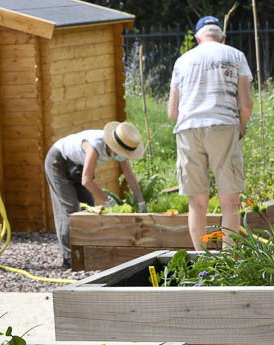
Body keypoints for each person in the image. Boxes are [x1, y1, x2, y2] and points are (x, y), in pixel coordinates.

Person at [167, 15, 254, 251]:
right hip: (224, 126)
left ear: (197, 38)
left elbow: (172, 111)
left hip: (188, 129)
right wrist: (241, 126)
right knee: (230, 201)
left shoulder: (182, 61)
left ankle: (203, 263)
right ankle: (229, 262)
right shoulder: (236, 55)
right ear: (222, 37)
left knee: (196, 202)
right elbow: (246, 105)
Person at [44, 121, 147, 269]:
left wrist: (141, 201)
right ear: (113, 146)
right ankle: (69, 259)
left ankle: (87, 251)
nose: (122, 156)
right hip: (58, 162)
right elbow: (86, 181)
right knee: (70, 209)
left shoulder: (120, 147)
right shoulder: (95, 145)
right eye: (121, 153)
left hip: (78, 167)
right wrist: (108, 200)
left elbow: (129, 175)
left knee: (89, 207)